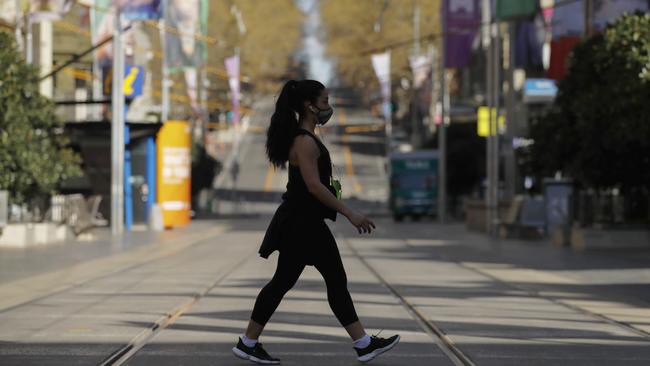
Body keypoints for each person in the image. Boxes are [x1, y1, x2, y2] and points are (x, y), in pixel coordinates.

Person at [232, 80, 400, 364]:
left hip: (300, 221)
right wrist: (350, 213)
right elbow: (314, 186)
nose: (328, 107)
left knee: (285, 282)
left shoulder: (305, 138)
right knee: (332, 280)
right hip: (304, 224)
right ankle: (363, 344)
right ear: (310, 106)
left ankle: (248, 342)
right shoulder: (304, 141)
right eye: (324, 101)